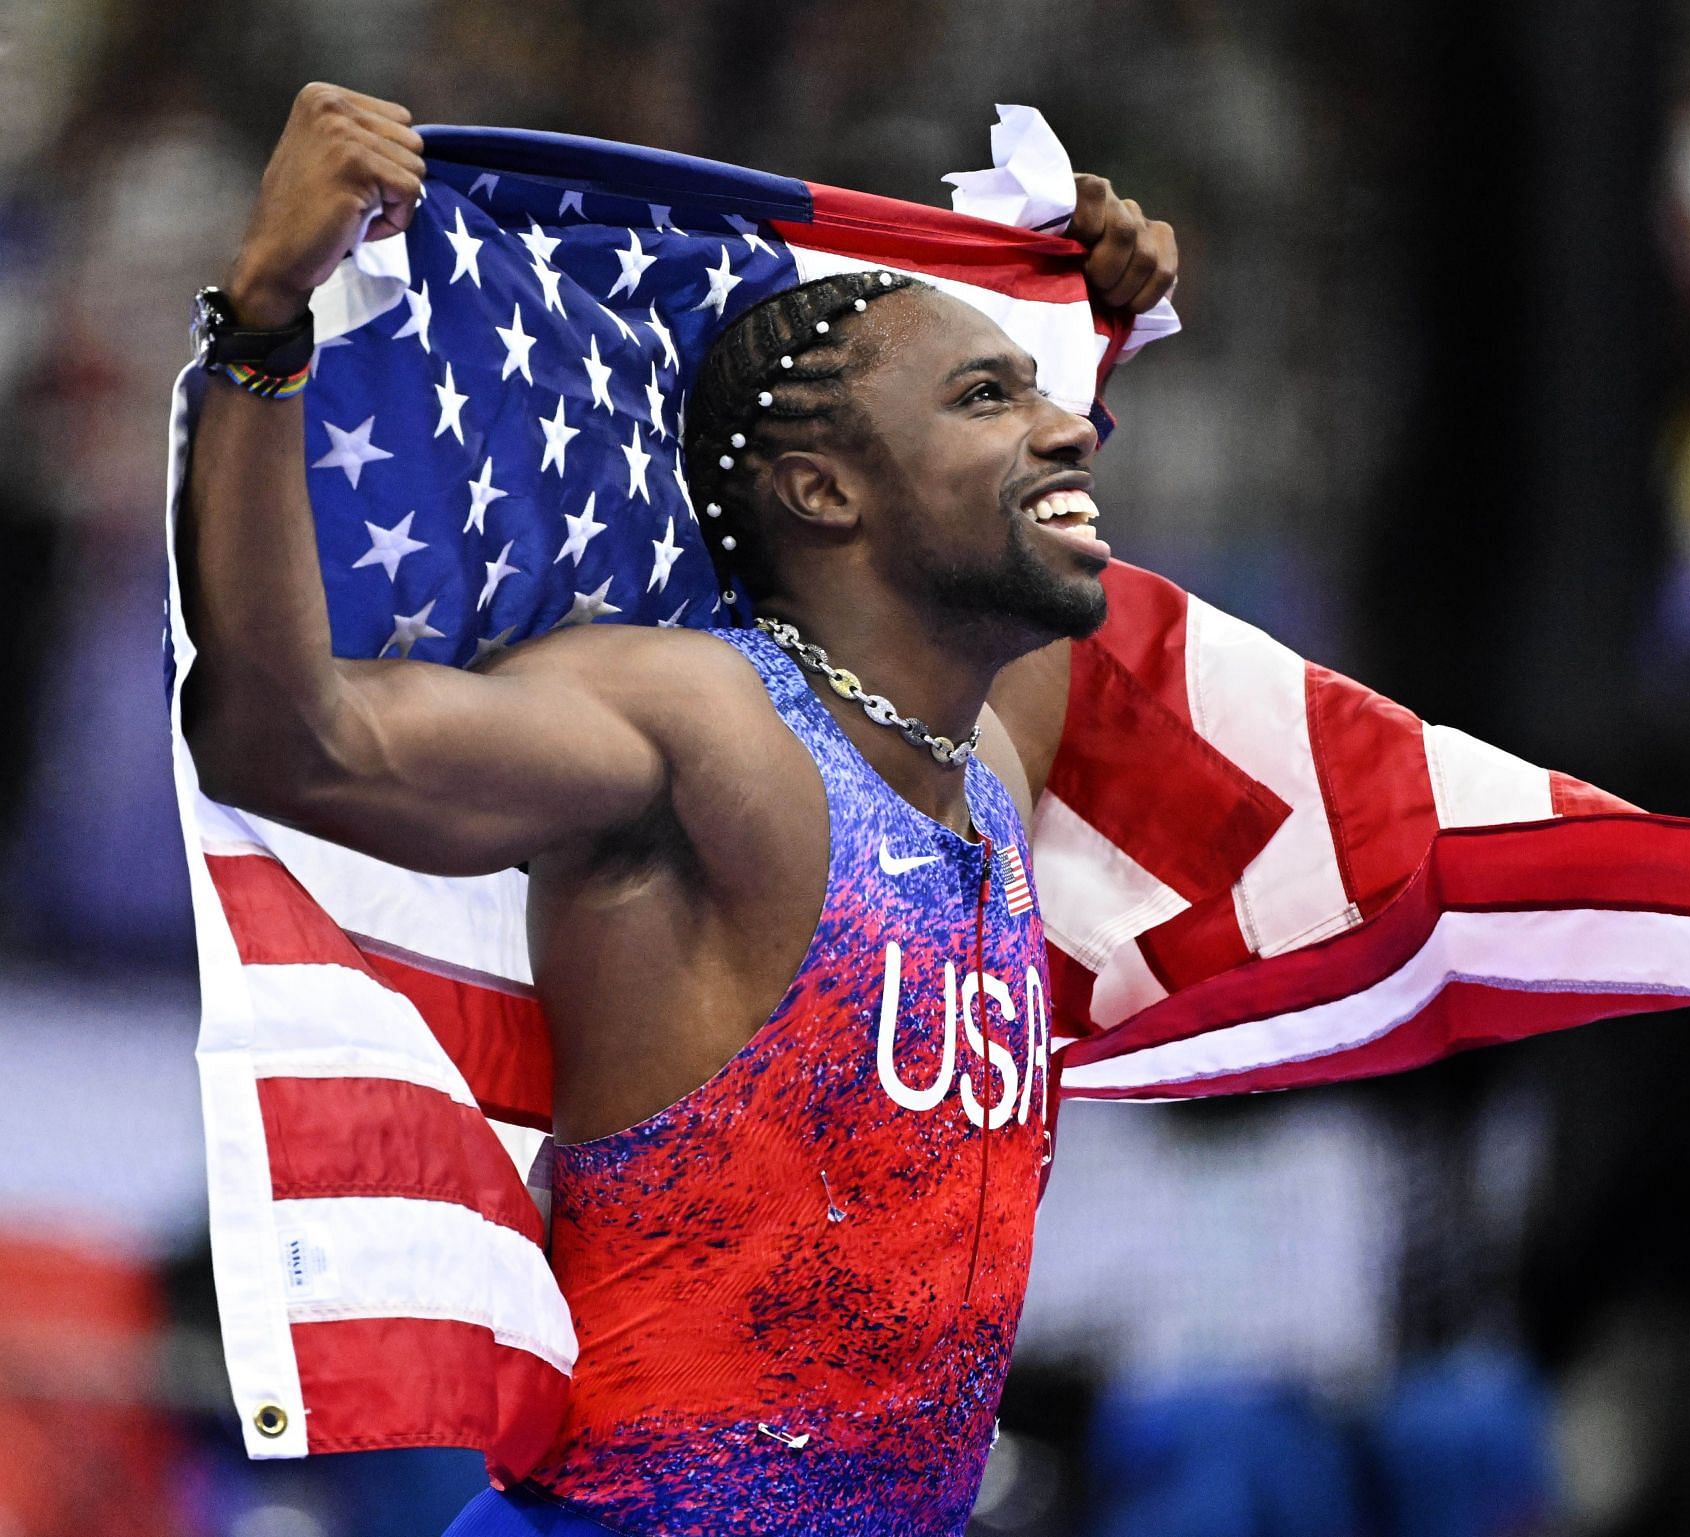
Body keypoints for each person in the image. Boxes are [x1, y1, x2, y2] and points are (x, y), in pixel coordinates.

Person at [180, 83, 1177, 1537]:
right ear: (821, 489)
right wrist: (269, 315)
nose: (1063, 431)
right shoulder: (705, 727)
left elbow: (1037, 538)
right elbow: (295, 743)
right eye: (988, 395)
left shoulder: (991, 758)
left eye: (1042, 397)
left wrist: (1089, 333)